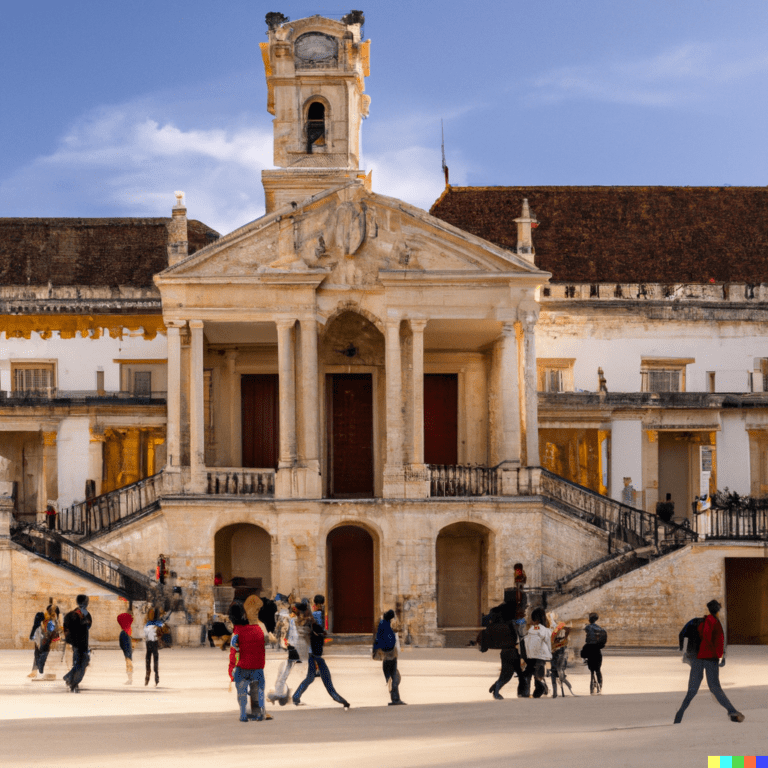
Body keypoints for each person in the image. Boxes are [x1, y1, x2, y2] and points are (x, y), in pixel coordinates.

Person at [673, 600, 745, 724]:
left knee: (692, 690)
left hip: (697, 658)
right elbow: (717, 641)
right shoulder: (715, 622)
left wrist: (685, 653)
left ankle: (680, 714)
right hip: (710, 658)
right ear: (717, 610)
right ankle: (732, 712)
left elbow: (682, 634)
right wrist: (720, 658)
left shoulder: (696, 621)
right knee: (715, 687)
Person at [292, 600, 350, 709]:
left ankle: (295, 697)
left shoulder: (307, 623)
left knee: (310, 678)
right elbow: (318, 634)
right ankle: (342, 701)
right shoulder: (310, 624)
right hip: (316, 657)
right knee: (327, 683)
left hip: (313, 656)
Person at [230, 601, 271, 722]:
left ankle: (243, 714)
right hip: (258, 667)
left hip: (243, 667)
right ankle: (258, 713)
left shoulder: (238, 633)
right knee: (257, 690)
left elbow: (236, 652)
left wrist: (234, 666)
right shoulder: (259, 629)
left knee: (241, 689)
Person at [480, 599, 525, 700]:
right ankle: (496, 690)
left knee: (516, 673)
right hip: (511, 652)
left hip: (507, 651)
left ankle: (496, 687)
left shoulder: (501, 624)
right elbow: (520, 633)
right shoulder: (511, 624)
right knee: (507, 674)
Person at [268, 598, 304, 707]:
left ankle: (280, 693)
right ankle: (280, 693)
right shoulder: (293, 618)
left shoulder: (295, 618)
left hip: (293, 646)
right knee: (284, 670)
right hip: (292, 646)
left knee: (285, 670)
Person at [373, 609, 406, 705]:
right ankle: (395, 698)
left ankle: (395, 697)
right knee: (395, 676)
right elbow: (388, 641)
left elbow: (378, 640)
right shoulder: (385, 626)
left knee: (393, 676)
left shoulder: (383, 624)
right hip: (390, 655)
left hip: (387, 655)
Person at [62, 594, 92, 693]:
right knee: (81, 664)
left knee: (78, 664)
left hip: (76, 644)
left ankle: (71, 680)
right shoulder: (82, 615)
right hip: (81, 644)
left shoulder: (71, 614)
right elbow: (87, 625)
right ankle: (72, 680)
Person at [523, 607, 552, 698]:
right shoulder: (544, 629)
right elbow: (548, 642)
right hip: (540, 655)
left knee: (529, 672)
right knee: (537, 673)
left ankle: (529, 690)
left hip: (532, 655)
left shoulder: (533, 629)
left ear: (535, 620)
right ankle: (539, 689)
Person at [581, 612, 607, 695]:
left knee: (583, 652)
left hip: (589, 649)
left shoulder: (588, 627)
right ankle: (600, 685)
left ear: (590, 619)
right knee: (598, 670)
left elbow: (585, 630)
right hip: (597, 649)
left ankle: (585, 660)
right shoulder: (600, 628)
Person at [550, 619, 574, 697]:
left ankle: (555, 691)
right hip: (560, 653)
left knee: (555, 672)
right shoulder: (564, 637)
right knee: (558, 671)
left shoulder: (556, 633)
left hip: (557, 653)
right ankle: (560, 688)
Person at [143, 607, 164, 686]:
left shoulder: (158, 624)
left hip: (154, 644)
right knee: (148, 663)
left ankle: (156, 678)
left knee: (155, 663)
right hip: (149, 645)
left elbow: (163, 630)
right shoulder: (147, 624)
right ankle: (147, 678)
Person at [117, 612, 134, 684]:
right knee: (129, 663)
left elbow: (121, 644)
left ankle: (130, 680)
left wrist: (124, 649)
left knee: (128, 665)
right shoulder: (129, 631)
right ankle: (130, 679)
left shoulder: (123, 633)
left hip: (126, 651)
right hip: (129, 650)